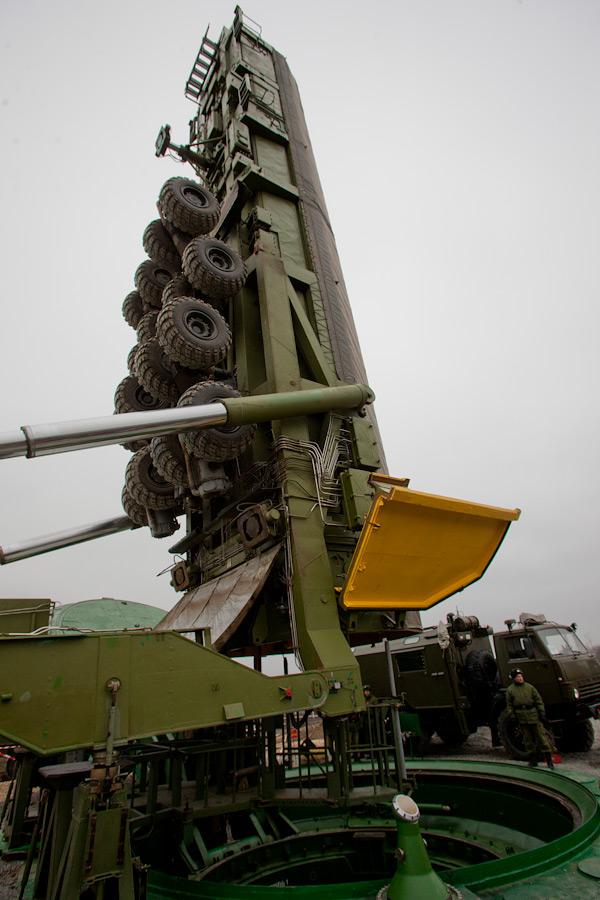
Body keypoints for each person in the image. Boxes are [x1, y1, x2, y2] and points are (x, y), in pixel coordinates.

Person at [506, 668, 554, 768]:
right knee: (528, 741)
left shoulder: (530, 687)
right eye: (518, 677)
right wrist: (513, 716)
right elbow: (509, 705)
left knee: (542, 738)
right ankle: (533, 760)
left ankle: (549, 761)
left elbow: (538, 700)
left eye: (521, 676)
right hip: (522, 718)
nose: (520, 678)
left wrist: (541, 713)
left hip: (533, 716)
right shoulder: (510, 690)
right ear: (514, 678)